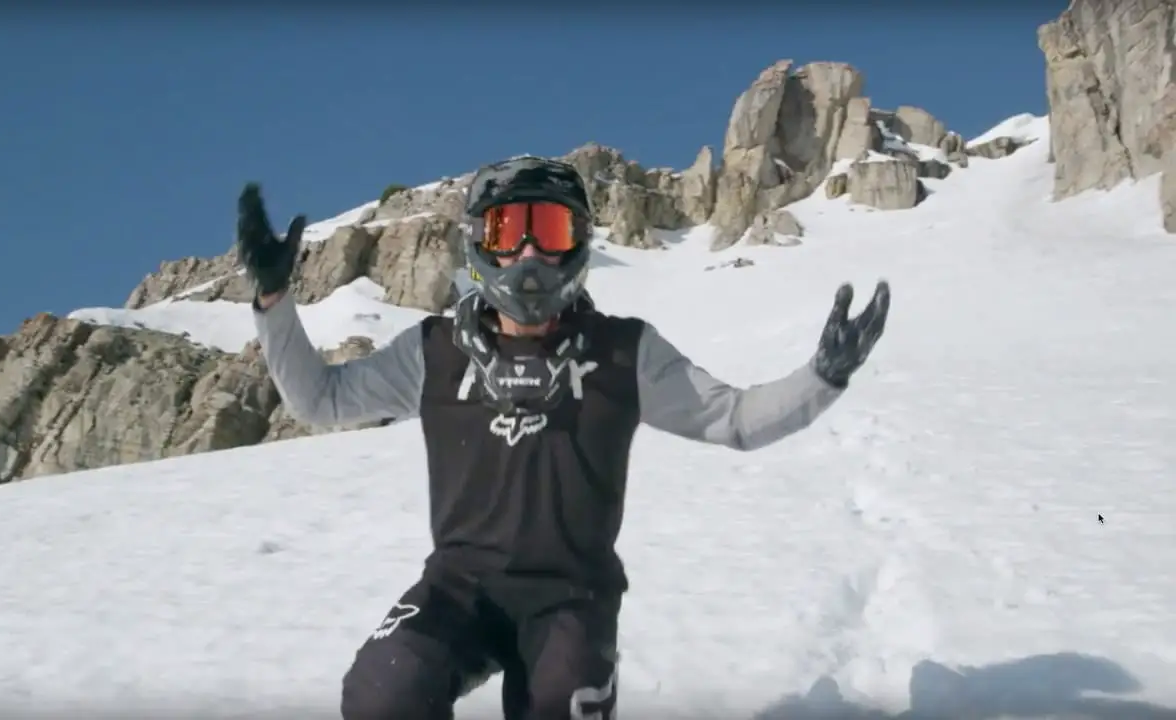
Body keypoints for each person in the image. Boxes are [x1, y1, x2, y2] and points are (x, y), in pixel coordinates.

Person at [236, 156, 891, 720]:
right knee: (381, 696)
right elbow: (319, 400)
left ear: (579, 242)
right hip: (460, 587)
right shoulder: (436, 353)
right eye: (506, 230)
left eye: (548, 230)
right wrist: (272, 301)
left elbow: (738, 420)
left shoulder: (623, 352)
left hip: (571, 598)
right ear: (477, 244)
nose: (527, 255)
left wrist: (822, 376)